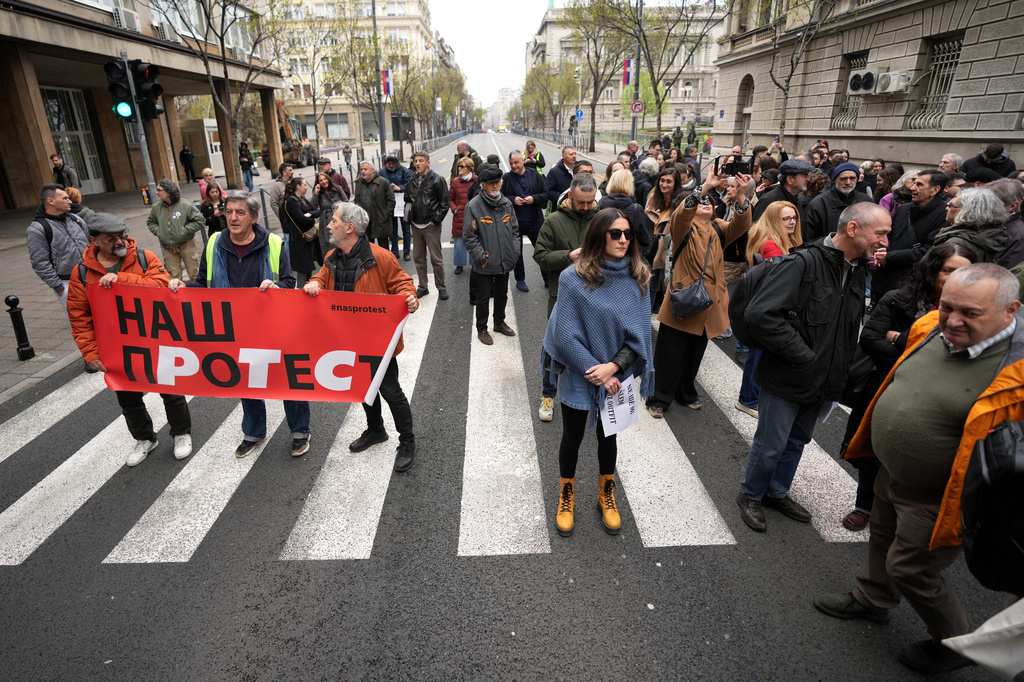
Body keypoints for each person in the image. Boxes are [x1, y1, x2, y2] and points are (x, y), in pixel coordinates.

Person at [816, 263, 1024, 676]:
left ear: (1010, 311)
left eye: (969, 313)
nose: (953, 320)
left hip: (942, 497)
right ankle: (873, 600)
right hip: (891, 474)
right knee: (882, 537)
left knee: (911, 569)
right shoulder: (931, 326)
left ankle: (955, 642)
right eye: (947, 306)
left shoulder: (1017, 371)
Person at [736, 203, 891, 532]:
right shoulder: (803, 263)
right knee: (772, 443)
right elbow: (762, 316)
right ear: (853, 230)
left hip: (822, 381)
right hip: (787, 376)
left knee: (797, 442)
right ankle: (751, 494)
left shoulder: (858, 268)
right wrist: (804, 355)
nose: (885, 241)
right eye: (880, 234)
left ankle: (776, 492)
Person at [839, 243, 976, 532]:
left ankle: (901, 515)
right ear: (932, 272)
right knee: (875, 447)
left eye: (964, 273)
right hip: (887, 388)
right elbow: (872, 340)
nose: (956, 279)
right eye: (949, 271)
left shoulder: (977, 314)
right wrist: (920, 355)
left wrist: (900, 339)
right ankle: (864, 506)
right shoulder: (897, 299)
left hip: (940, 401)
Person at [169, 190, 310, 458]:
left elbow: (290, 283)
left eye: (240, 212)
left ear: (254, 217)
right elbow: (202, 284)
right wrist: (181, 287)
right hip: (234, 329)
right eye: (229, 211)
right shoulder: (214, 243)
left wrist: (276, 286)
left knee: (286, 378)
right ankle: (254, 432)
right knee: (247, 380)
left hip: (273, 326)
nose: (232, 217)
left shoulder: (273, 243)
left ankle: (300, 431)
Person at [543, 208, 655, 536]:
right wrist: (597, 371)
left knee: (609, 436)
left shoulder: (639, 277)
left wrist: (615, 369)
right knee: (572, 437)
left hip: (616, 375)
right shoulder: (572, 277)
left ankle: (606, 493)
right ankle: (567, 493)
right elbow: (563, 334)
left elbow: (640, 334)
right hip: (583, 374)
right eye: (615, 233)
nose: (623, 239)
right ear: (598, 235)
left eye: (627, 234)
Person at [67, 212, 193, 467]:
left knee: (170, 390)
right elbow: (80, 316)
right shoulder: (81, 272)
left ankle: (181, 433)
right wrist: (90, 354)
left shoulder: (145, 258)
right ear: (93, 240)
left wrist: (121, 280)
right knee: (128, 397)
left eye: (122, 236)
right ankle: (145, 438)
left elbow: (161, 285)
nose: (119, 242)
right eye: (110, 238)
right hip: (117, 347)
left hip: (154, 338)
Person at [303, 202, 419, 472]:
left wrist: (410, 298)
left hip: (377, 340)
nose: (328, 226)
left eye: (333, 221)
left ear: (349, 227)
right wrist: (314, 284)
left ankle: (408, 441)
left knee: (390, 390)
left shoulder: (380, 257)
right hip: (347, 340)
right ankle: (376, 430)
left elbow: (402, 283)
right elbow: (320, 278)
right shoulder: (332, 257)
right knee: (363, 388)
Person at [646, 170, 752, 417]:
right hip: (685, 300)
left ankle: (686, 392)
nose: (706, 204)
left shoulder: (718, 227)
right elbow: (682, 212)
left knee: (695, 353)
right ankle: (659, 398)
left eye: (710, 202)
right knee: (669, 354)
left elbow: (741, 225)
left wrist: (741, 197)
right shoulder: (683, 225)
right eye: (702, 202)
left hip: (709, 303)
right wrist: (704, 188)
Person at [534, 173, 600, 422]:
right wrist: (567, 256)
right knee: (554, 347)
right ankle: (548, 395)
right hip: (562, 299)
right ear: (570, 195)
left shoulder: (601, 219)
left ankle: (592, 395)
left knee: (593, 349)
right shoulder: (553, 220)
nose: (586, 207)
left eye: (590, 202)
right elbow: (540, 256)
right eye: (581, 202)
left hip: (596, 298)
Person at [735, 201, 803, 419]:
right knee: (758, 354)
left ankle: (750, 397)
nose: (792, 222)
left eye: (794, 217)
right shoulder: (771, 244)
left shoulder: (777, 237)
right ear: (775, 220)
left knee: (759, 353)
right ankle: (748, 400)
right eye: (786, 218)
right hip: (766, 305)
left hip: (764, 303)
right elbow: (784, 278)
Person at [872, 170, 949, 304]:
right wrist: (882, 250)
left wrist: (889, 257)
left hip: (912, 285)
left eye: (919, 185)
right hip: (885, 278)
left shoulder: (944, 216)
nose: (913, 188)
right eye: (914, 183)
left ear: (935, 189)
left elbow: (928, 252)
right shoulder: (904, 209)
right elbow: (888, 235)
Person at [463, 166, 520, 344]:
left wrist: (515, 252)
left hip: (505, 261)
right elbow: (469, 236)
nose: (496, 185)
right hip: (485, 263)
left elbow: (515, 231)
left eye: (498, 182)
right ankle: (482, 328)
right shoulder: (473, 206)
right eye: (491, 183)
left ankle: (499, 322)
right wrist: (482, 257)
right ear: (483, 185)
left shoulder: (507, 204)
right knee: (483, 298)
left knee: (502, 294)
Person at [26, 183, 89, 314]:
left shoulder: (75, 219)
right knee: (81, 325)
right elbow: (40, 263)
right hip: (67, 282)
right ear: (51, 201)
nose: (70, 201)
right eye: (65, 198)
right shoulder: (38, 229)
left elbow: (91, 245)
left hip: (90, 278)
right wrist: (59, 288)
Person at [503, 150, 550, 291]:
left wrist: (533, 199)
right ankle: (520, 280)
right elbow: (501, 197)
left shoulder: (535, 175)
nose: (513, 166)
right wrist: (513, 200)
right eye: (511, 163)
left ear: (522, 161)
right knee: (517, 253)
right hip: (515, 222)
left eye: (516, 162)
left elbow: (546, 195)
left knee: (541, 250)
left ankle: (547, 279)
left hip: (534, 220)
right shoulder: (507, 178)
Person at [406, 151, 450, 299]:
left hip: (431, 225)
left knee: (436, 259)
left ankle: (441, 287)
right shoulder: (411, 178)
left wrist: (435, 221)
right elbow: (407, 198)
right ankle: (423, 286)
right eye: (415, 161)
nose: (417, 163)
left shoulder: (437, 179)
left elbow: (445, 203)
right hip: (416, 225)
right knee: (418, 258)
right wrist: (409, 217)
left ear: (428, 162)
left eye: (421, 161)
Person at [146, 179, 204, 282]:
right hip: (168, 248)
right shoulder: (156, 208)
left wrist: (184, 231)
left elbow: (199, 221)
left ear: (168, 192)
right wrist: (160, 232)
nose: (156, 192)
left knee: (194, 274)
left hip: (187, 244)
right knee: (173, 277)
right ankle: (178, 297)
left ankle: (196, 295)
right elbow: (151, 222)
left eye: (159, 190)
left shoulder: (185, 205)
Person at [932, 187, 1010, 263]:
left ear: (966, 211)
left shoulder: (956, 244)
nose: (946, 208)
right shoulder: (994, 233)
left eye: (951, 206)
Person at [803, 162, 873, 242]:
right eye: (843, 179)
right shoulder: (818, 204)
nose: (848, 182)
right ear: (835, 179)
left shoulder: (866, 202)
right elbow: (809, 237)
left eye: (852, 178)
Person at [645, 167, 683, 314]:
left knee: (669, 286)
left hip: (669, 250)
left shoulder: (680, 202)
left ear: (676, 184)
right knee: (650, 286)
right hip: (651, 248)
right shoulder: (654, 198)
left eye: (669, 181)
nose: (664, 184)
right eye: (662, 180)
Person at [597, 169, 654, 259]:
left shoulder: (599, 205)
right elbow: (646, 239)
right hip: (628, 261)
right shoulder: (636, 209)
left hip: (602, 258)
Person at [280, 176, 322, 286]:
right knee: (303, 268)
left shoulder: (301, 199)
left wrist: (310, 214)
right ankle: (300, 291)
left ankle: (306, 291)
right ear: (298, 187)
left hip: (307, 238)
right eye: (304, 185)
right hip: (299, 239)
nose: (307, 187)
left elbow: (317, 211)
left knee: (308, 267)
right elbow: (302, 220)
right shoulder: (291, 202)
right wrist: (311, 217)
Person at [352, 161, 396, 253]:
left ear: (372, 170)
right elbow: (357, 200)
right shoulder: (359, 182)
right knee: (367, 248)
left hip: (380, 220)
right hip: (365, 221)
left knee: (383, 248)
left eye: (365, 169)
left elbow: (391, 200)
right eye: (361, 169)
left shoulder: (383, 182)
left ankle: (386, 266)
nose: (363, 171)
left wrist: (385, 215)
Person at [752, 158, 813, 223]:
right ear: (790, 180)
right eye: (805, 176)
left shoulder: (795, 198)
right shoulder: (770, 200)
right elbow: (757, 228)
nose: (808, 179)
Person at [379, 154, 411, 261]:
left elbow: (409, 184)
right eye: (389, 164)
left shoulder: (404, 170)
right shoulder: (382, 172)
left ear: (397, 164)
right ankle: (394, 251)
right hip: (390, 203)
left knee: (406, 229)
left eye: (393, 164)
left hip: (403, 202)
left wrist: (399, 187)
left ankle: (406, 252)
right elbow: (379, 184)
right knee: (392, 230)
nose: (391, 166)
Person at [987, 178, 1024, 269]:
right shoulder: (991, 222)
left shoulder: (1019, 235)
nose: (984, 205)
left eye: (991, 202)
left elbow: (1008, 271)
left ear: (1011, 206)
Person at [313, 172, 346, 270]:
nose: (324, 182)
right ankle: (330, 268)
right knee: (328, 245)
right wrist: (316, 193)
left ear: (328, 179)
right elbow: (312, 206)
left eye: (325, 179)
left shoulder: (338, 189)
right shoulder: (319, 193)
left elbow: (346, 202)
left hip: (339, 220)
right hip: (326, 223)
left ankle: (344, 265)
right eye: (321, 180)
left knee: (341, 242)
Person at [449, 157, 476, 278]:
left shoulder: (477, 181)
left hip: (474, 216)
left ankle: (474, 264)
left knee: (475, 240)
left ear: (469, 168)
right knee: (459, 242)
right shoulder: (455, 182)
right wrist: (454, 209)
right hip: (459, 216)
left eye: (462, 166)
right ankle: (459, 265)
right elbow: (450, 199)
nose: (459, 168)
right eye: (458, 166)